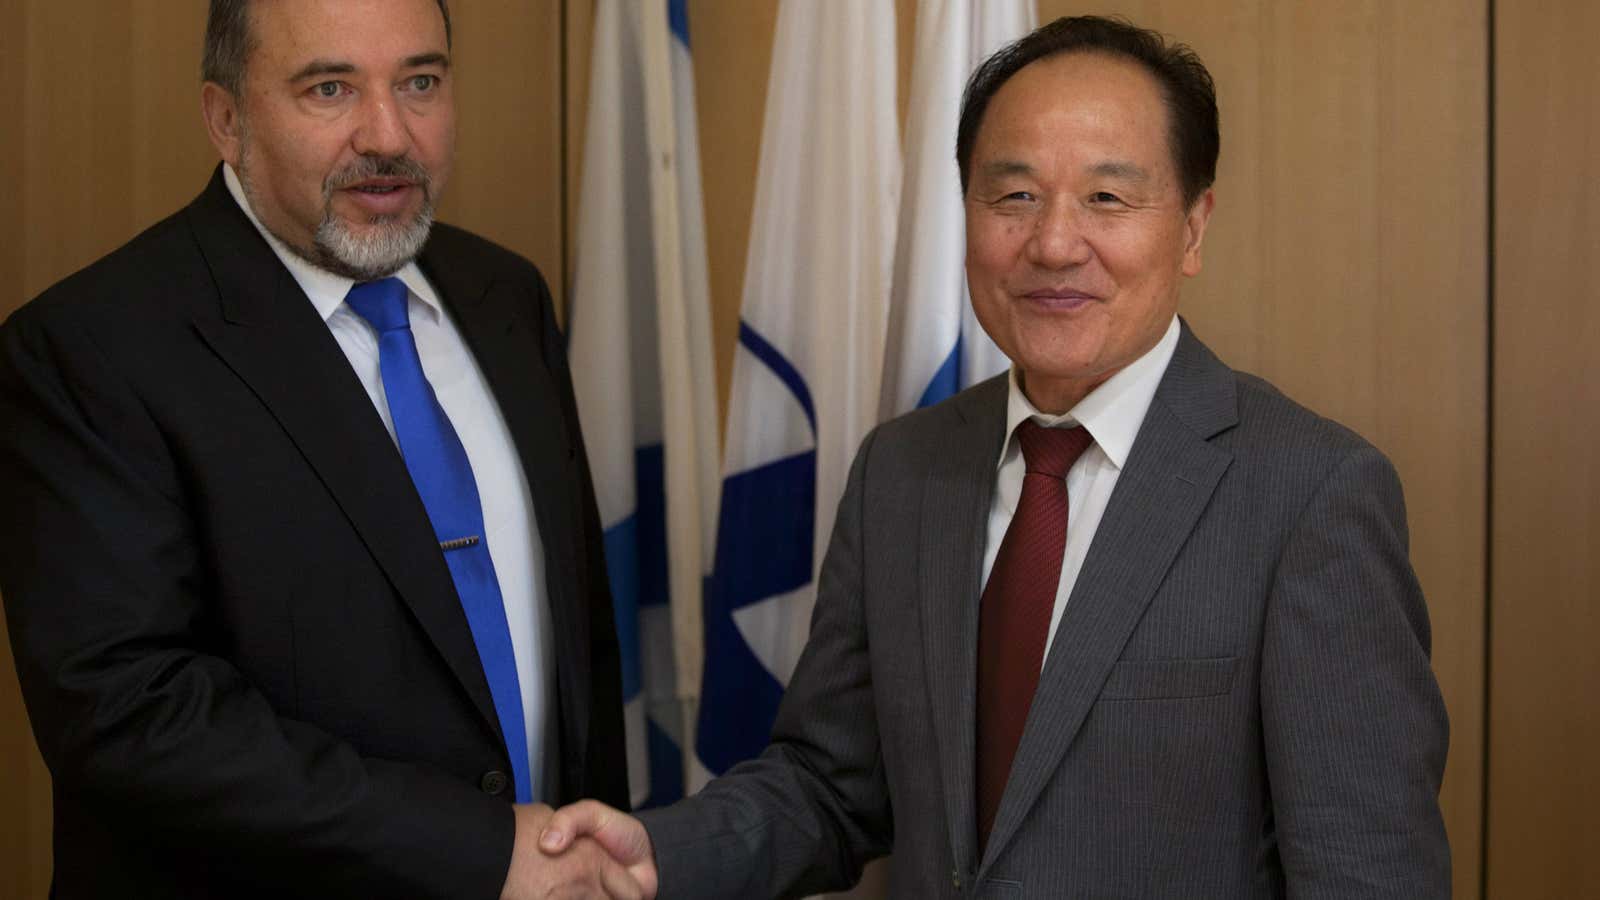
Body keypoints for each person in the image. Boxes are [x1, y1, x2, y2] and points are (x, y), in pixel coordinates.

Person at [539, 15, 1451, 899]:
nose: (1054, 244)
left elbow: (1365, 872)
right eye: (1013, 195)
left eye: (1107, 197)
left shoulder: (1311, 495)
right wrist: (654, 854)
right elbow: (831, 787)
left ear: (1194, 226)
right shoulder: (902, 470)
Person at [0, 1, 642, 897]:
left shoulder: (507, 296)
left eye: (420, 82)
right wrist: (477, 850)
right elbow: (130, 717)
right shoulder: (90, 349)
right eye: (330, 88)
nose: (388, 134)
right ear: (226, 119)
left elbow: (579, 634)